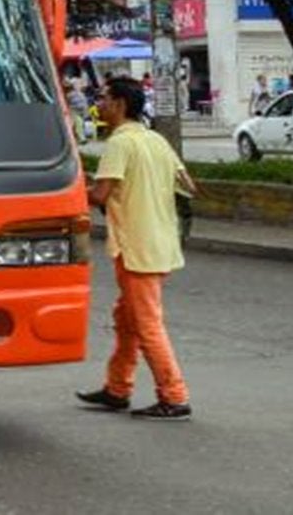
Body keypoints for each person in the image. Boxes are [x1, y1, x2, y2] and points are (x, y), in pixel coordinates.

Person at [76, 76, 199, 421]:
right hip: (160, 242)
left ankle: (174, 396)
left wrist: (71, 186)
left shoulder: (120, 144)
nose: (98, 104)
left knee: (146, 325)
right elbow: (189, 185)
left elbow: (99, 196)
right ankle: (117, 388)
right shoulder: (156, 139)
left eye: (103, 98)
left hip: (135, 246)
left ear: (119, 104)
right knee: (127, 320)